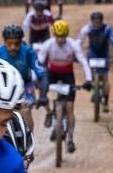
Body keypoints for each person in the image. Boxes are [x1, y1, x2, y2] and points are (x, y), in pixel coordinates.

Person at [38, 20, 93, 154]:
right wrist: (36, 78)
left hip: (68, 75)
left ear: (67, 35)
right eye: (58, 36)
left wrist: (89, 79)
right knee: (43, 93)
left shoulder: (73, 45)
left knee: (69, 107)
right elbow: (38, 63)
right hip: (52, 74)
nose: (60, 39)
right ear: (54, 35)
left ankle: (70, 139)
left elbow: (83, 62)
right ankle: (49, 112)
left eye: (63, 36)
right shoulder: (48, 45)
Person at [0, 24, 47, 128]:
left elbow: (41, 74)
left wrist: (43, 96)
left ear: (21, 42)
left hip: (25, 85)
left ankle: (29, 140)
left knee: (25, 110)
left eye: (17, 44)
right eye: (9, 44)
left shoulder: (28, 52)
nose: (13, 47)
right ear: (4, 42)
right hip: (3, 87)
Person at [79, 11, 113, 113]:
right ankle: (92, 87)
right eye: (95, 22)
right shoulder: (87, 28)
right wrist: (76, 55)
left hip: (104, 54)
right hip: (92, 53)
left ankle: (106, 103)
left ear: (102, 21)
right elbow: (79, 41)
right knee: (88, 72)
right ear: (91, 21)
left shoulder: (107, 29)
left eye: (98, 22)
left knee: (105, 78)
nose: (97, 24)